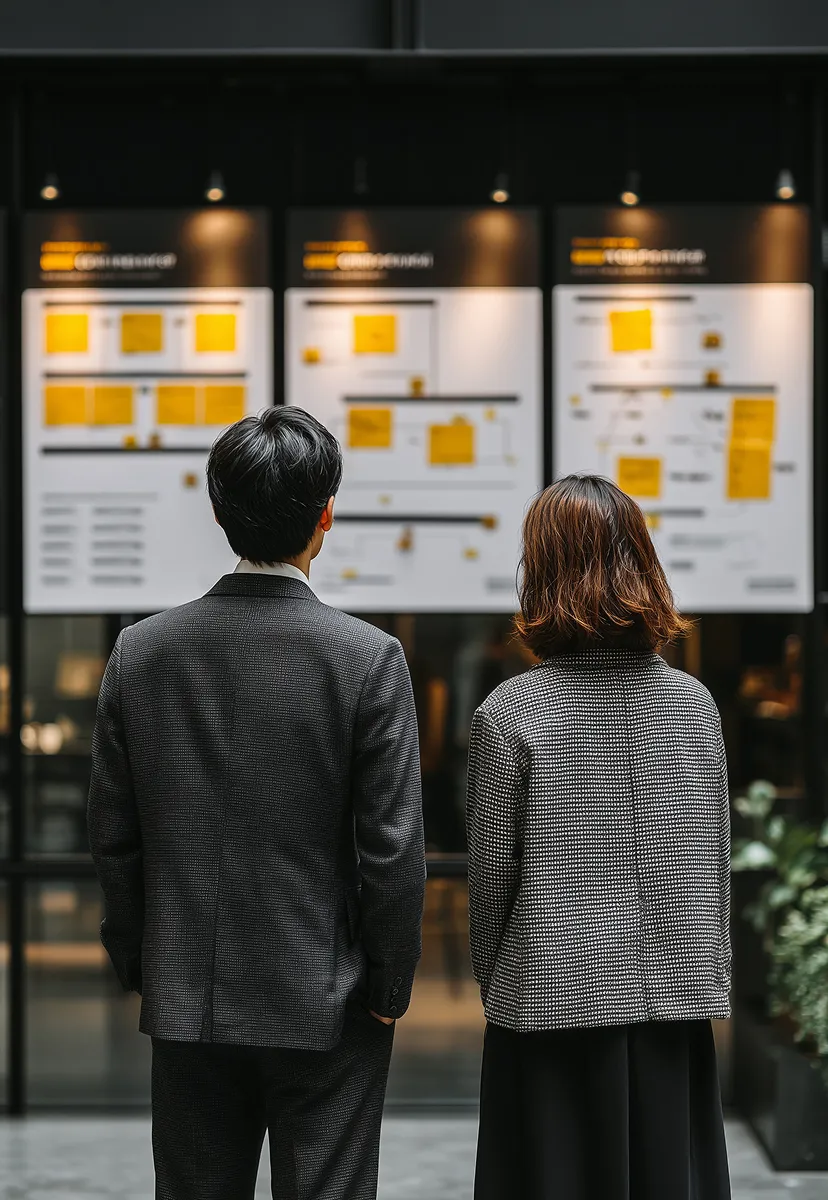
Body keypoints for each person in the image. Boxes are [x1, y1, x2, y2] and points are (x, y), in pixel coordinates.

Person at [88, 406, 426, 1200]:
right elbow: (393, 852)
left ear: (217, 511)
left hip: (187, 1002)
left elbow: (114, 835)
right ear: (326, 516)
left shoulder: (142, 653)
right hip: (328, 1000)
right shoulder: (368, 659)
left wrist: (143, 960)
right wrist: (387, 987)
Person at [467, 475, 731, 1200]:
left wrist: (497, 981)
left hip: (546, 1001)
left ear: (541, 575)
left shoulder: (511, 711)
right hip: (667, 1003)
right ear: (642, 565)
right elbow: (712, 866)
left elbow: (492, 879)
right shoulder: (693, 706)